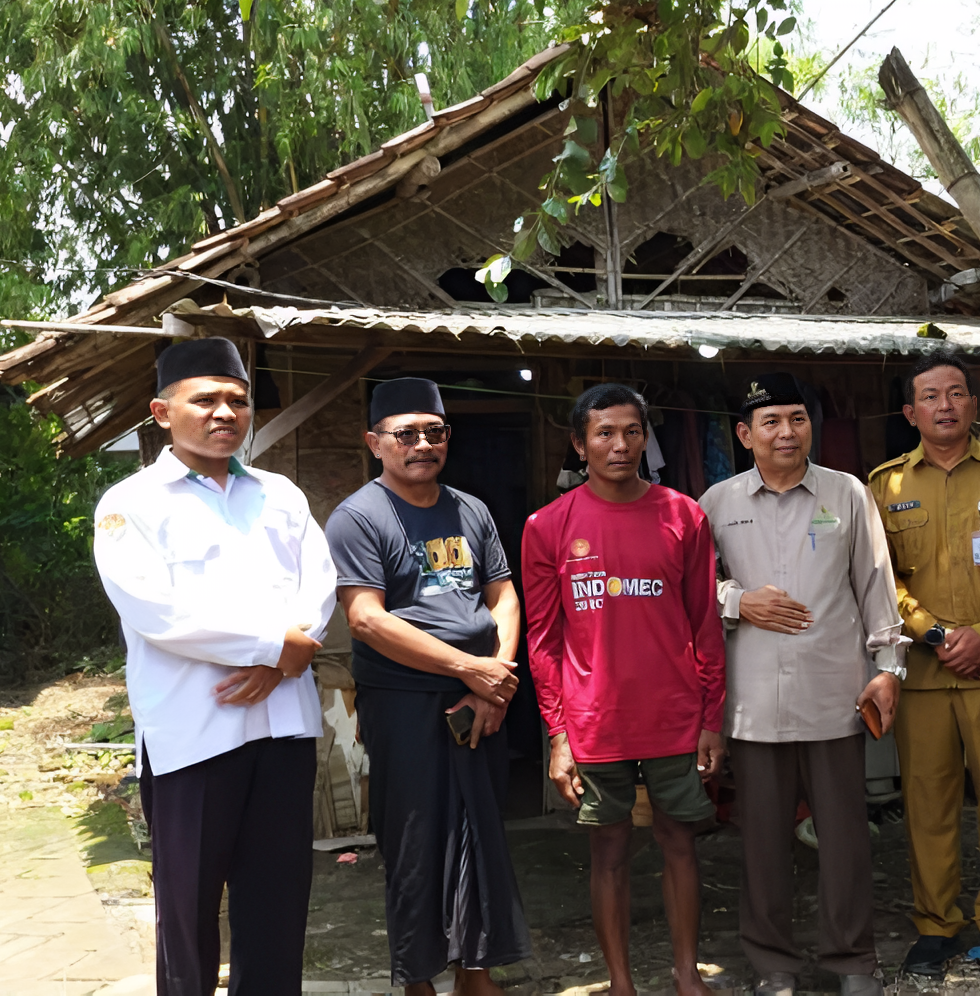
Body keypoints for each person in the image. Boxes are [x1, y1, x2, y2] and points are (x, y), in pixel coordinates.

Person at [92, 337, 334, 995]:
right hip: (193, 738)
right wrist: (270, 648)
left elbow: (320, 585)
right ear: (163, 412)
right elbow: (156, 608)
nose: (225, 412)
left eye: (237, 399)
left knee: (277, 907)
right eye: (206, 400)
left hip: (283, 729)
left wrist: (284, 664)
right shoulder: (131, 504)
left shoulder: (280, 495)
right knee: (188, 911)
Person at [699, 373, 908, 996]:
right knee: (762, 841)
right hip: (755, 700)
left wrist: (888, 669)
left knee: (845, 838)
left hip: (834, 695)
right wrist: (738, 601)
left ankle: (851, 960)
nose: (786, 431)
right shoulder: (717, 502)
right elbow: (691, 590)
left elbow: (876, 584)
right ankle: (774, 965)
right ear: (745, 433)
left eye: (797, 418)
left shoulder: (846, 493)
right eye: (771, 421)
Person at [521, 383, 728, 996]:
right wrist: (558, 733)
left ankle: (687, 975)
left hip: (675, 717)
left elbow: (704, 624)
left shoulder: (683, 515)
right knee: (608, 851)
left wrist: (711, 717)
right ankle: (620, 983)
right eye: (604, 433)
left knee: (680, 844)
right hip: (594, 723)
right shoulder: (548, 526)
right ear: (579, 444)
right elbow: (544, 641)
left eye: (631, 431)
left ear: (646, 437)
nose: (620, 444)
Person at [324, 377, 530, 996]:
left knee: (482, 834)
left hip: (481, 697)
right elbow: (366, 618)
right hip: (406, 704)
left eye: (434, 432)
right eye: (405, 433)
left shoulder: (471, 509)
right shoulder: (358, 516)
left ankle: (476, 971)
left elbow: (503, 596)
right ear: (375, 442)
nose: (422, 444)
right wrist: (469, 671)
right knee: (417, 843)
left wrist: (494, 682)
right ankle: (418, 979)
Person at [869, 348, 980, 982]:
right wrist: (935, 632)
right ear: (909, 410)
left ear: (975, 405)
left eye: (955, 394)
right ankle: (935, 925)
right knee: (927, 802)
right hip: (923, 672)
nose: (943, 406)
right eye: (929, 396)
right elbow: (878, 576)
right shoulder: (884, 484)